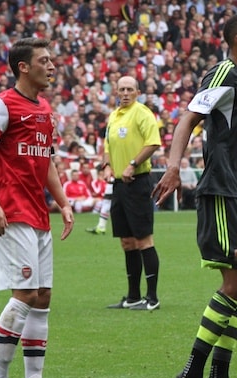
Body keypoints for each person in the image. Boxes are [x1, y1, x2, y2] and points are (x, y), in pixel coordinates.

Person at [152, 12, 237, 378]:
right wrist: (173, 164)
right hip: (220, 194)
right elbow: (189, 117)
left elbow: (233, 148)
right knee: (234, 284)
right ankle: (191, 375)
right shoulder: (222, 73)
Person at [0, 38, 74, 378]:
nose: (52, 66)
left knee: (43, 295)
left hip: (38, 213)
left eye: (52, 59)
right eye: (44, 61)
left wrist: (62, 203)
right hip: (12, 210)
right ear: (22, 67)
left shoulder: (45, 109)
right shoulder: (1, 104)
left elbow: (46, 160)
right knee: (26, 293)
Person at [101, 75, 161, 311]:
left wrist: (132, 163)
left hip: (138, 181)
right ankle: (133, 296)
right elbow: (107, 145)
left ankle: (152, 298)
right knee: (127, 241)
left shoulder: (142, 113)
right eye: (121, 89)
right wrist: (106, 165)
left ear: (137, 92)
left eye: (129, 89)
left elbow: (153, 142)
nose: (125, 93)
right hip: (118, 185)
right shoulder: (114, 116)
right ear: (116, 92)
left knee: (144, 239)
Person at [86, 164, 114, 234]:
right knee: (106, 204)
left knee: (106, 204)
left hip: (113, 182)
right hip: (113, 182)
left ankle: (101, 227)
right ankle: (101, 227)